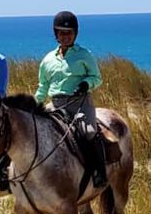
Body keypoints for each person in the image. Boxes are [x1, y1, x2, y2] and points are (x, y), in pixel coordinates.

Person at [35, 10, 107, 188]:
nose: (65, 36)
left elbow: (97, 78)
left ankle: (99, 172)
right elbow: (43, 87)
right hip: (56, 104)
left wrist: (85, 84)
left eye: (69, 33)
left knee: (90, 132)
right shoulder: (47, 60)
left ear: (75, 34)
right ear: (56, 34)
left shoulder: (84, 55)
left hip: (80, 104)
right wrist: (34, 104)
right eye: (61, 33)